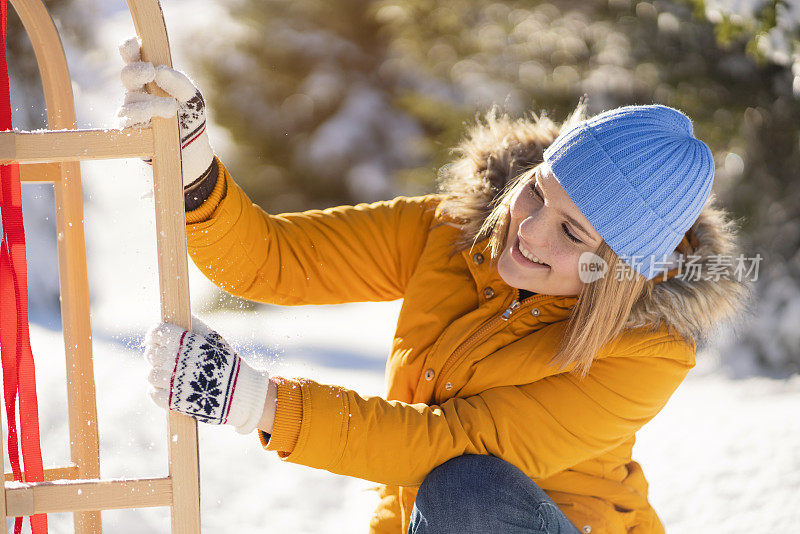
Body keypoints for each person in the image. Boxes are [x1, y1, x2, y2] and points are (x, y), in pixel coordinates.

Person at [118, 37, 750, 534]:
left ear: (616, 270)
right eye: (536, 190)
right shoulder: (457, 229)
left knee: (469, 490)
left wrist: (254, 402)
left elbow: (452, 445)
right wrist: (194, 164)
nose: (528, 231)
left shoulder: (647, 350)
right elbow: (273, 261)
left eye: (573, 234)